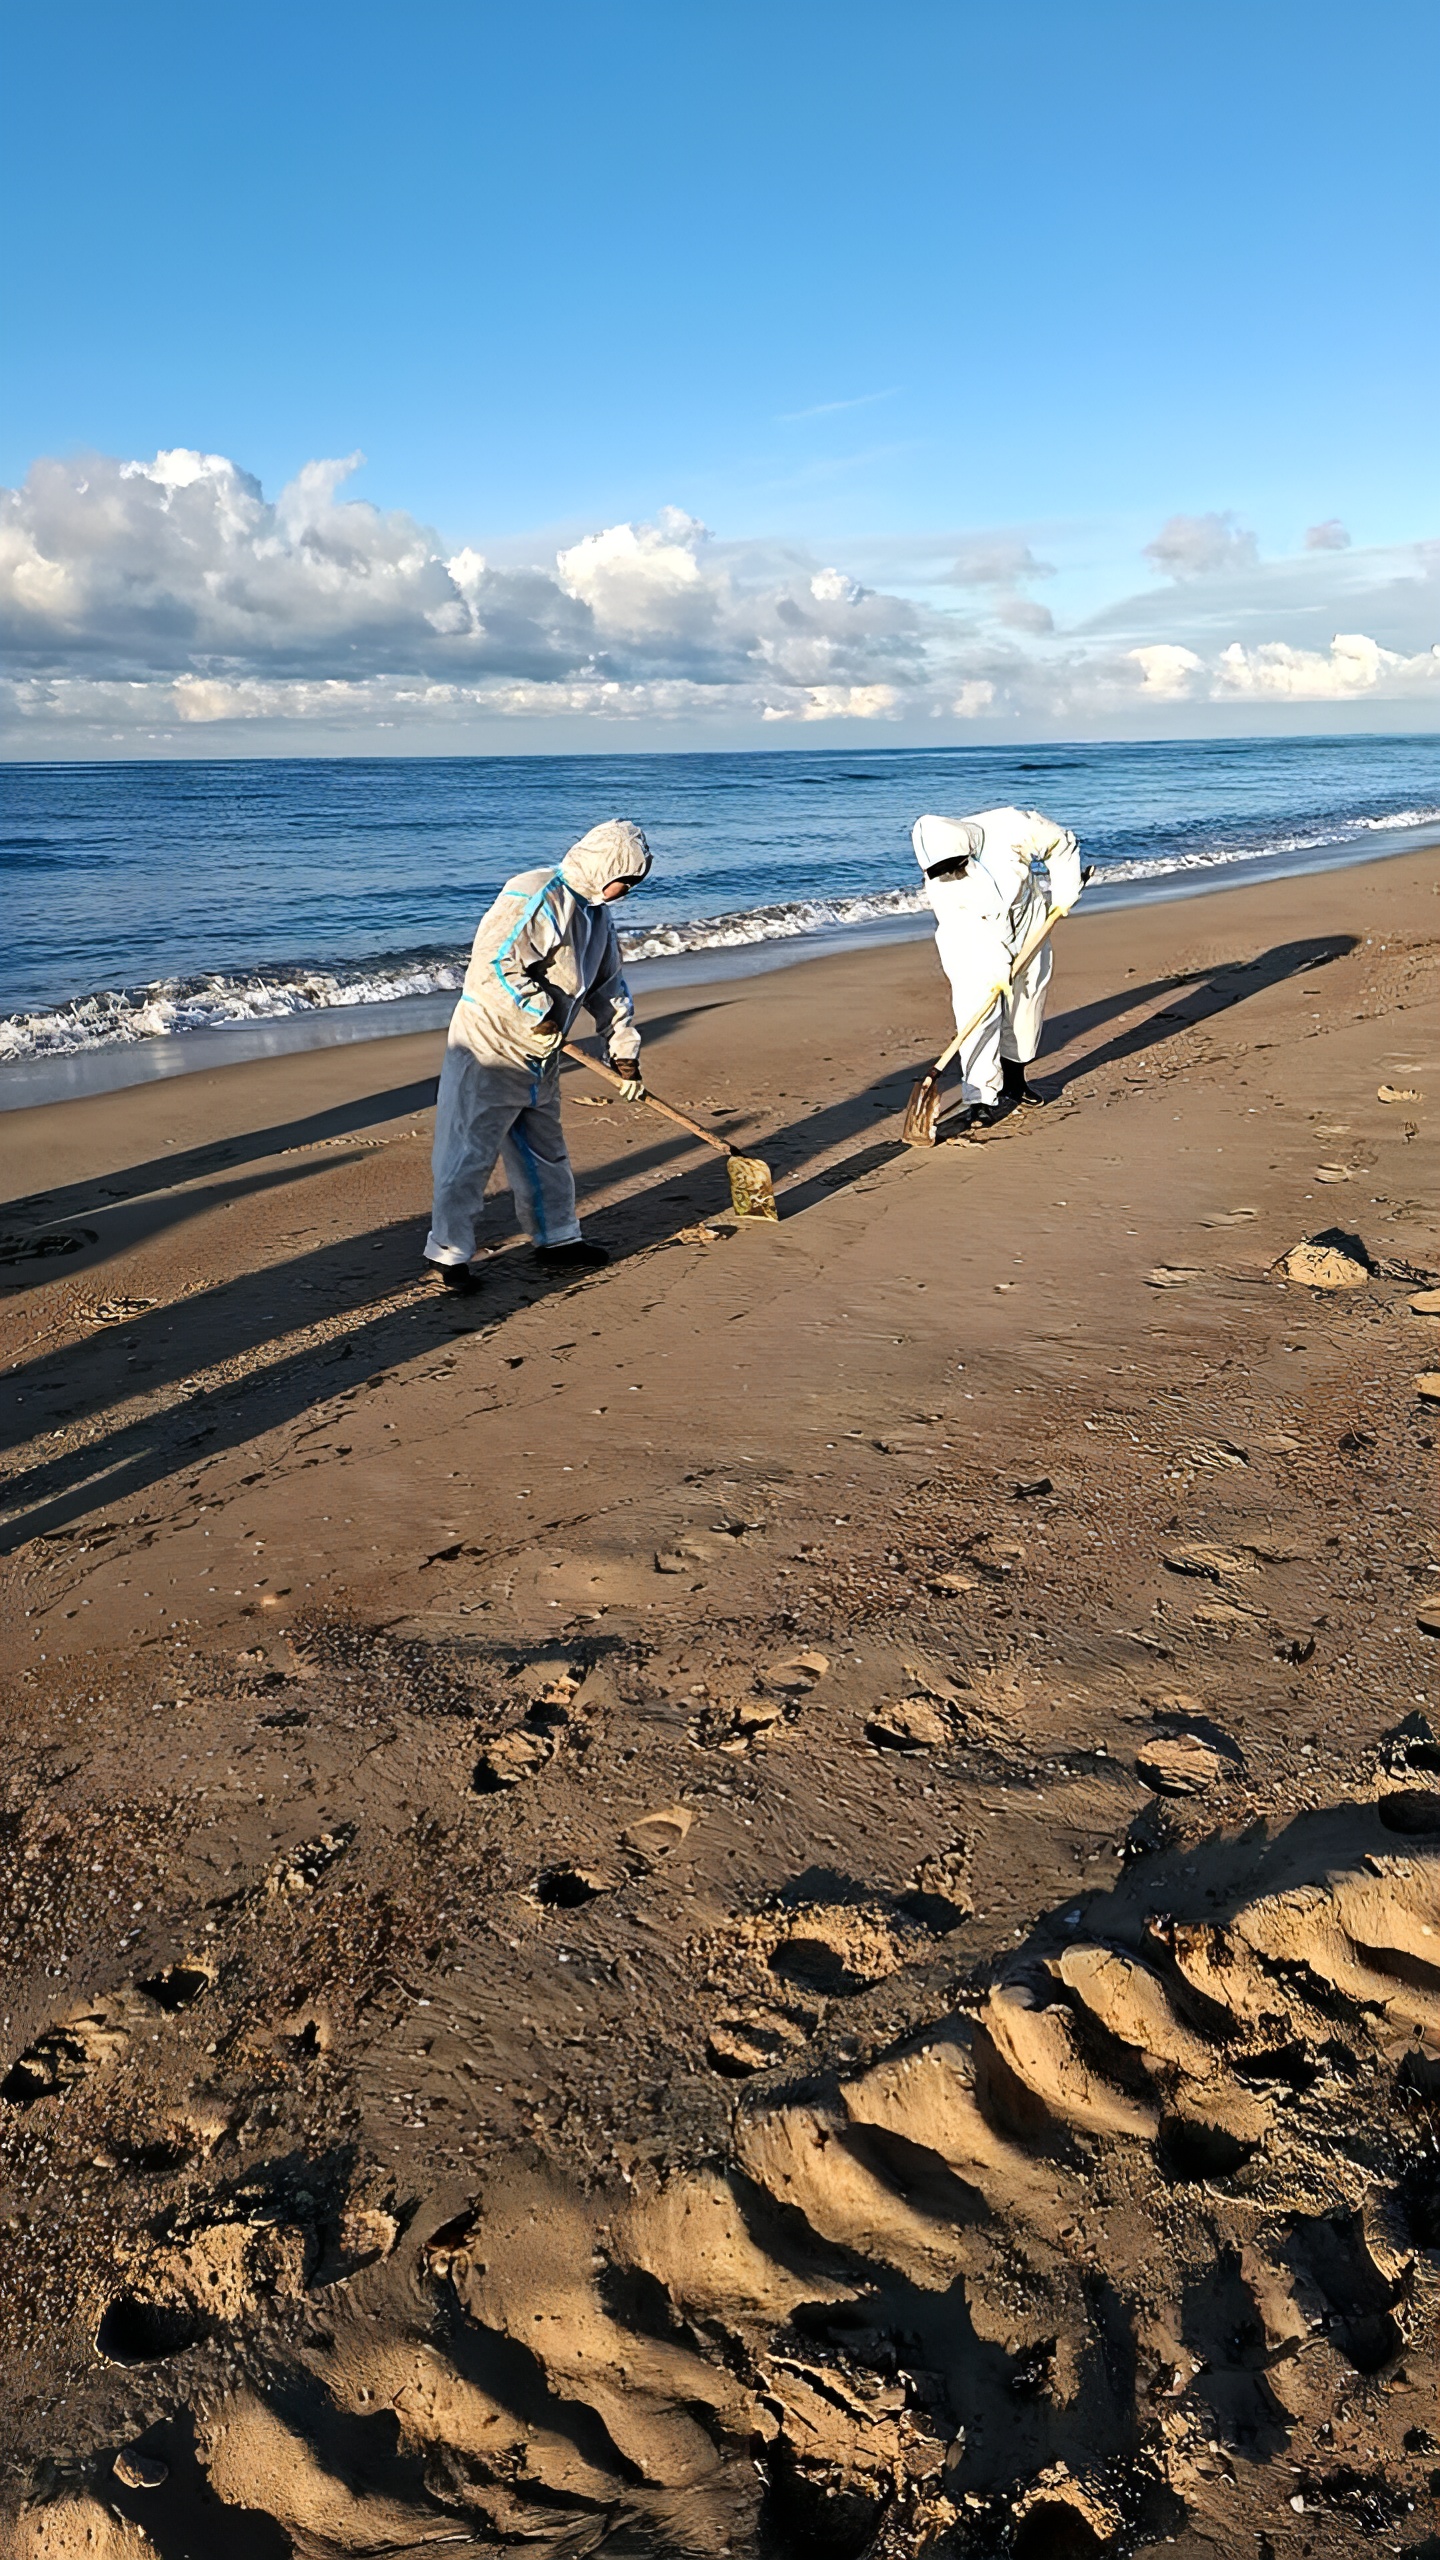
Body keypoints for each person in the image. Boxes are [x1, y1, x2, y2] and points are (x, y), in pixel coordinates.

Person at [424, 819, 652, 1292]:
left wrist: (623, 1050)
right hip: (492, 1044)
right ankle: (448, 1254)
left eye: (633, 884)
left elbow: (609, 989)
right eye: (625, 880)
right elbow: (492, 963)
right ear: (603, 865)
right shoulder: (534, 893)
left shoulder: (596, 915)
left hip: (543, 1053)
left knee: (545, 1150)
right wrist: (540, 1012)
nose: (626, 891)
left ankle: (558, 1239)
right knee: (469, 1151)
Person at [911, 805, 1084, 1130]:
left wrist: (1064, 895)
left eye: (955, 865)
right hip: (971, 938)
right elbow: (965, 928)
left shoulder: (1012, 826)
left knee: (1026, 1005)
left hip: (1027, 921)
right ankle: (979, 1099)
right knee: (975, 1013)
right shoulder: (940, 880)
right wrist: (995, 968)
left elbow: (1060, 844)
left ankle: (1015, 1080)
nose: (951, 873)